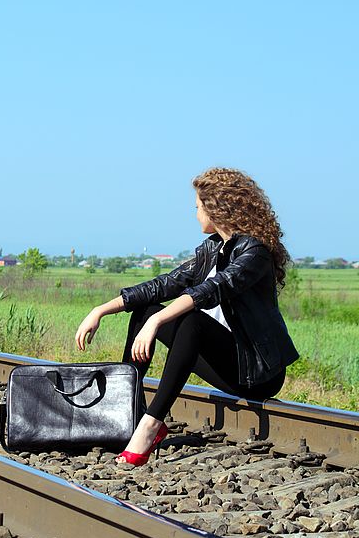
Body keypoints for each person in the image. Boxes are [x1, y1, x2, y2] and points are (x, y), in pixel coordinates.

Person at [75, 167, 299, 466]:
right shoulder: (212, 250)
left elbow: (212, 289)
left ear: (215, 208)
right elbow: (164, 284)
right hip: (224, 361)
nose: (195, 214)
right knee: (146, 310)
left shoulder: (253, 253)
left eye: (197, 207)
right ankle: (126, 409)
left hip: (256, 374)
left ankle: (151, 425)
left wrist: (159, 322)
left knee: (188, 318)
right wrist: (100, 309)